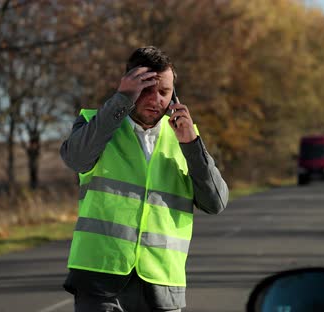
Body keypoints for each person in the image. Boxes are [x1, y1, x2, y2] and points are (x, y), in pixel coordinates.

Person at [60, 46, 229, 312]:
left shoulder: (186, 137)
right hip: (100, 278)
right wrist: (120, 100)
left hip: (163, 283)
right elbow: (76, 159)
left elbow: (215, 202)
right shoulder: (96, 124)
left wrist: (192, 145)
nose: (156, 99)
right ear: (129, 87)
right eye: (146, 90)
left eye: (164, 92)